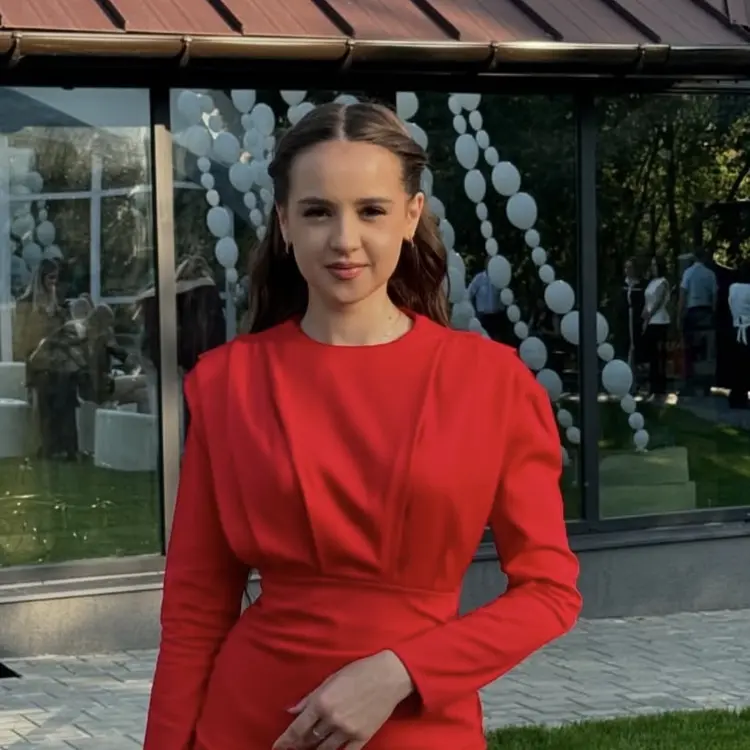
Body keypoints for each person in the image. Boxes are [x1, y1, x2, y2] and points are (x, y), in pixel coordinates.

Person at [144, 101, 581, 750]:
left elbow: (548, 592)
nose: (344, 239)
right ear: (284, 222)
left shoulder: (493, 384)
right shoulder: (226, 384)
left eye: (371, 210)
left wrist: (402, 671)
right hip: (248, 728)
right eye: (318, 211)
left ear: (410, 215)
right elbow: (195, 611)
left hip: (421, 728)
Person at [678, 247, 718, 396]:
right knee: (707, 350)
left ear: (694, 258)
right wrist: (712, 313)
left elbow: (683, 295)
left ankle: (689, 382)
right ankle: (706, 383)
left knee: (689, 349)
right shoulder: (710, 274)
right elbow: (715, 296)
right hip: (706, 312)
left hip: (692, 312)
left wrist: (679, 315)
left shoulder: (688, 273)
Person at [642, 256, 671, 396]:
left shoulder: (663, 282)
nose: (652, 267)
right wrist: (645, 315)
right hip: (650, 321)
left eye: (655, 265)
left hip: (660, 320)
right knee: (651, 354)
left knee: (658, 355)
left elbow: (658, 301)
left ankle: (659, 385)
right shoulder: (651, 282)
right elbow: (648, 300)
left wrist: (649, 314)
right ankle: (652, 383)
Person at [727, 260, 750, 409]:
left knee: (738, 365)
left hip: (736, 327)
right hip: (748, 327)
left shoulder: (733, 288)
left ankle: (736, 395)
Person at [466, 257, 503, 340]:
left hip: (496, 316)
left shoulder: (498, 279)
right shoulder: (479, 278)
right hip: (482, 316)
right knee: (483, 340)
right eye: (488, 263)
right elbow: (469, 294)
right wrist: (471, 310)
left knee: (496, 341)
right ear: (485, 265)